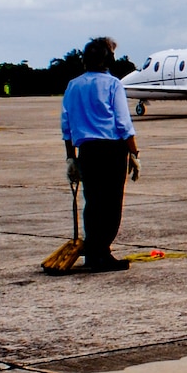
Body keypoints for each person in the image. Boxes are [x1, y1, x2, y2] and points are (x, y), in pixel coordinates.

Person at [60, 37, 138, 272]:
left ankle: (94, 253)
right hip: (112, 149)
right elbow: (123, 123)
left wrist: (70, 157)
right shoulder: (113, 84)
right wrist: (134, 152)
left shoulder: (73, 85)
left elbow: (67, 124)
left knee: (93, 202)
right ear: (109, 59)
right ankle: (101, 252)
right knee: (111, 203)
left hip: (88, 151)